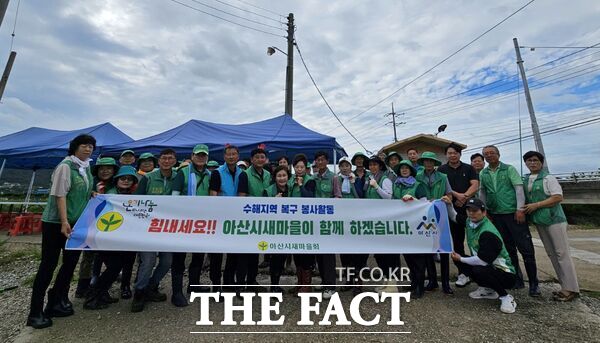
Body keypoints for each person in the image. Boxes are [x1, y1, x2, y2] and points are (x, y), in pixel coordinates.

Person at [27, 134, 96, 329]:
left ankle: (55, 301)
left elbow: (80, 190)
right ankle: (35, 312)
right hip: (56, 223)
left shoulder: (85, 168)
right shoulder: (66, 166)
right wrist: (64, 221)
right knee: (48, 265)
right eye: (84, 145)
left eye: (91, 146)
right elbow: (60, 195)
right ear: (74, 147)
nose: (88, 149)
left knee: (70, 264)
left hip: (76, 224)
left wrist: (91, 193)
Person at [480, 145, 539, 296]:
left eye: (492, 153)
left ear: (498, 154)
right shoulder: (483, 173)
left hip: (513, 214)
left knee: (526, 249)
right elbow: (483, 192)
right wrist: (484, 211)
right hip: (496, 215)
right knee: (508, 249)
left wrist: (520, 210)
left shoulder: (509, 169)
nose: (489, 156)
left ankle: (534, 284)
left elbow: (519, 189)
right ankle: (516, 279)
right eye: (486, 154)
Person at [522, 151, 579, 301]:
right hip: (540, 221)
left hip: (555, 220)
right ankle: (564, 286)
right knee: (552, 253)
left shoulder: (548, 178)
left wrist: (537, 205)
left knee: (562, 253)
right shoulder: (526, 179)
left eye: (535, 160)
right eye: (529, 161)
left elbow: (557, 197)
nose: (532, 163)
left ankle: (571, 288)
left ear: (541, 162)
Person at [84, 166, 138, 310]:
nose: (126, 181)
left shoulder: (133, 195)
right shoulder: (108, 193)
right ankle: (92, 297)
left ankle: (101, 293)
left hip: (123, 238)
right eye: (123, 178)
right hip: (106, 238)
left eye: (129, 179)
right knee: (114, 266)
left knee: (116, 266)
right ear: (117, 180)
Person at [131, 148, 178, 313]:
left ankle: (151, 286)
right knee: (148, 261)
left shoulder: (178, 177)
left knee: (166, 262)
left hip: (169, 228)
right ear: (159, 161)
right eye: (164, 158)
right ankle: (139, 291)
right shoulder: (148, 178)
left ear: (174, 161)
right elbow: (136, 201)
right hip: (147, 228)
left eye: (170, 158)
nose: (166, 161)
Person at [451, 198, 517, 314]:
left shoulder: (488, 232)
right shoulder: (470, 221)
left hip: (505, 274)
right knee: (461, 260)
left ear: (484, 212)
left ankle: (505, 297)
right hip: (488, 266)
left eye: (475, 210)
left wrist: (461, 258)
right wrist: (447, 204)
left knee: (477, 269)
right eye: (469, 210)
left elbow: (482, 261)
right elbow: (454, 216)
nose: (471, 213)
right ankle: (488, 289)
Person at [170, 144, 212, 307]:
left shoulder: (210, 174)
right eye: (198, 155)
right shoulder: (183, 173)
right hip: (183, 222)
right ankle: (176, 293)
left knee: (198, 255)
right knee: (179, 258)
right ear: (192, 156)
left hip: (202, 223)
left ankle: (193, 286)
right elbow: (174, 197)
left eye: (204, 155)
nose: (201, 158)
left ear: (207, 158)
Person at [75, 157, 118, 299]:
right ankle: (82, 288)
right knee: (88, 257)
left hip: (111, 227)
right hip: (90, 225)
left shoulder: (116, 185)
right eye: (102, 168)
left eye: (109, 168)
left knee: (111, 259)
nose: (105, 171)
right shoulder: (90, 183)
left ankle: (100, 287)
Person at [438, 143, 479, 288]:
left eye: (455, 153)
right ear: (446, 155)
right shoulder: (442, 170)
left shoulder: (469, 168)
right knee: (456, 243)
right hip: (449, 210)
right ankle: (464, 273)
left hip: (469, 210)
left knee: (475, 242)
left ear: (460, 154)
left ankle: (480, 271)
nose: (452, 155)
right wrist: (457, 195)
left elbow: (475, 184)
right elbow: (443, 187)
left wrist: (465, 196)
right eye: (449, 153)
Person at [416, 151, 454, 295]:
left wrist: (447, 199)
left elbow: (449, 193)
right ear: (423, 163)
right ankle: (432, 281)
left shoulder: (443, 177)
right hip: (424, 214)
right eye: (426, 161)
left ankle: (445, 283)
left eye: (431, 161)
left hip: (440, 214)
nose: (428, 163)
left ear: (434, 163)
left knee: (443, 249)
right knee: (428, 249)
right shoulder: (417, 176)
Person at [208, 145, 244, 294]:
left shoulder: (242, 173)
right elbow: (213, 195)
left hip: (235, 220)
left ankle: (228, 283)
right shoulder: (217, 173)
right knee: (216, 256)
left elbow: (242, 195)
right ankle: (216, 286)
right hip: (219, 219)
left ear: (238, 156)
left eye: (234, 154)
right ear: (224, 157)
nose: (231, 157)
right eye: (228, 154)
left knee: (233, 255)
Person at [237, 146, 272, 292]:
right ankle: (240, 285)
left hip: (263, 220)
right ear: (251, 160)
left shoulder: (269, 175)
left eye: (262, 157)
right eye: (256, 157)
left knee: (255, 252)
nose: (259, 159)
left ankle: (252, 281)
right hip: (247, 219)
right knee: (243, 254)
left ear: (266, 159)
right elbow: (241, 197)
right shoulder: (244, 175)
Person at [392, 160, 428, 298]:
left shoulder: (418, 185)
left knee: (418, 257)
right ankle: (414, 282)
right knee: (408, 256)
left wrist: (414, 199)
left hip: (417, 225)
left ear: (411, 171)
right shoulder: (397, 185)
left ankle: (420, 287)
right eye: (402, 168)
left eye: (407, 168)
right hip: (402, 226)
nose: (404, 170)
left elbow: (425, 205)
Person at [313, 151, 341, 299]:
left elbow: (338, 196)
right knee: (319, 253)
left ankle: (331, 286)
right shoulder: (313, 178)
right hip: (315, 221)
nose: (320, 162)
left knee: (328, 254)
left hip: (328, 221)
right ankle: (324, 282)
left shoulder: (334, 177)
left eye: (322, 159)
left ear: (327, 161)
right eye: (318, 160)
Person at [288, 154, 317, 293]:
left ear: (306, 168)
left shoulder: (310, 181)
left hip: (306, 222)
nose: (299, 169)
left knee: (306, 254)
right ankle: (299, 283)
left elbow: (309, 198)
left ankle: (307, 284)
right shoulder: (290, 181)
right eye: (297, 167)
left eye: (301, 167)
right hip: (293, 221)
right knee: (297, 254)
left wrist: (300, 185)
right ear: (293, 168)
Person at [263, 165, 293, 292]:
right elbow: (262, 210)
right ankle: (273, 285)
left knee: (283, 258)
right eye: (279, 176)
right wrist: (272, 202)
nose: (282, 178)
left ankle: (277, 283)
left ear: (288, 177)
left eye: (284, 175)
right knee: (276, 258)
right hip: (274, 230)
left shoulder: (293, 190)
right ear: (274, 178)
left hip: (290, 229)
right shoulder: (268, 191)